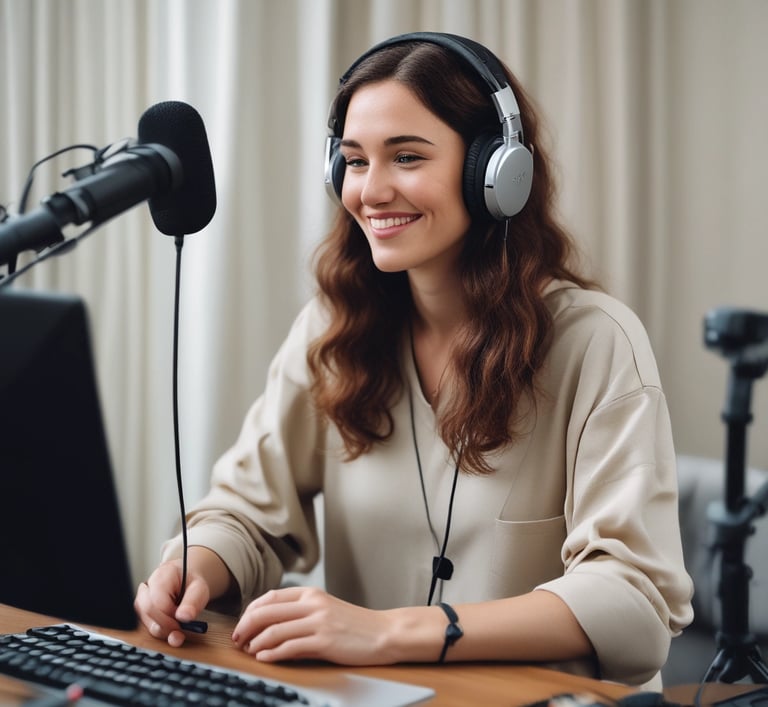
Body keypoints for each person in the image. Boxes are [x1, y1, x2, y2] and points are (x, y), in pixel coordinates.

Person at [134, 32, 693, 688]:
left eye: (406, 156)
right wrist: (196, 567)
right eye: (354, 160)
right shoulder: (333, 330)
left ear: (497, 172)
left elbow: (633, 598)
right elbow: (248, 512)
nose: (371, 190)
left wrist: (386, 631)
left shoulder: (595, 342)